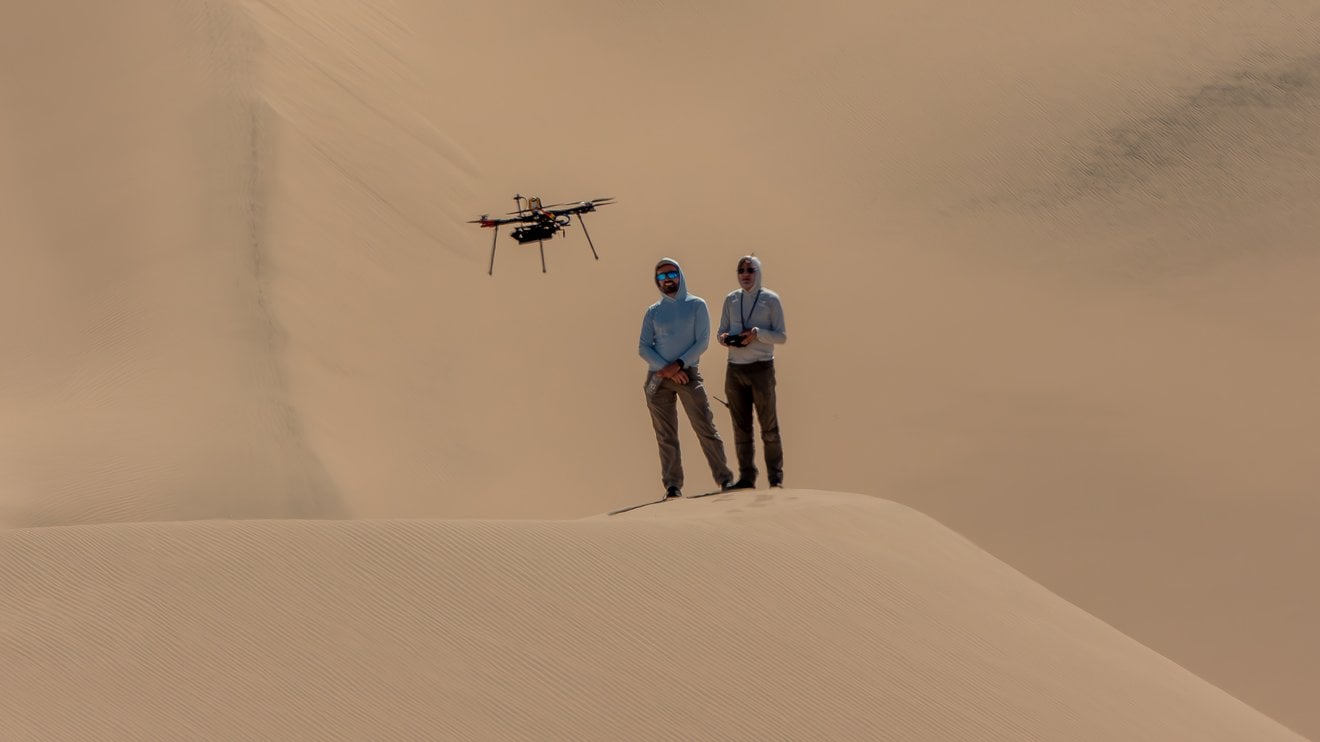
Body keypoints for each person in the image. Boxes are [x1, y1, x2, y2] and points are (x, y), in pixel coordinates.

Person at [639, 258, 734, 499]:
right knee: (665, 434)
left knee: (705, 426)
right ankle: (673, 486)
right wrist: (666, 368)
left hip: (687, 374)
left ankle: (725, 479)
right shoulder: (653, 311)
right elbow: (643, 347)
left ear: (680, 275)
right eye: (661, 277)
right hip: (657, 378)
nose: (667, 280)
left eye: (671, 274)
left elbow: (702, 341)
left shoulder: (696, 305)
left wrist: (679, 365)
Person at [717, 255, 787, 489]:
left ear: (758, 272)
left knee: (769, 427)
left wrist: (757, 334)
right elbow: (721, 331)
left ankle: (775, 479)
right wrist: (726, 339)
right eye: (741, 270)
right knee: (741, 427)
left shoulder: (771, 299)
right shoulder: (731, 299)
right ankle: (747, 478)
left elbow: (782, 336)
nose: (745, 274)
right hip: (734, 369)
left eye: (750, 270)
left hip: (761, 368)